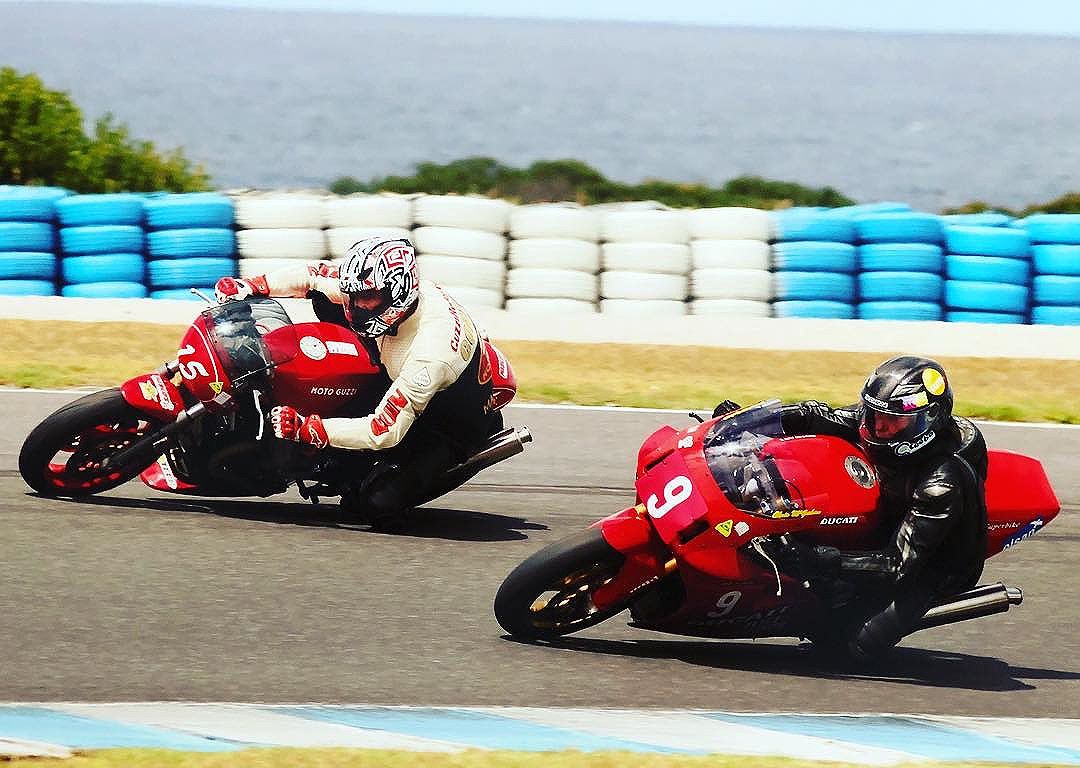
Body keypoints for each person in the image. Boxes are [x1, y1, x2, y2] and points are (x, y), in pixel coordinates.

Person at [214, 236, 516, 525]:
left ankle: (421, 465)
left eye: (366, 299)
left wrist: (309, 428)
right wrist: (250, 286)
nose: (354, 305)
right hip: (395, 363)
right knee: (324, 298)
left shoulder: (430, 354)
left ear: (400, 294)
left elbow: (382, 431)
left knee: (375, 503)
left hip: (447, 419)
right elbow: (313, 275)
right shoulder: (373, 286)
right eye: (352, 295)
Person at [723, 355, 988, 660]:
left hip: (932, 563)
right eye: (874, 416)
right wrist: (751, 420)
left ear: (927, 422)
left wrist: (814, 559)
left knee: (846, 646)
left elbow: (897, 564)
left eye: (892, 422)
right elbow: (817, 415)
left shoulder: (942, 481)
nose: (878, 428)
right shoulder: (877, 424)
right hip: (889, 513)